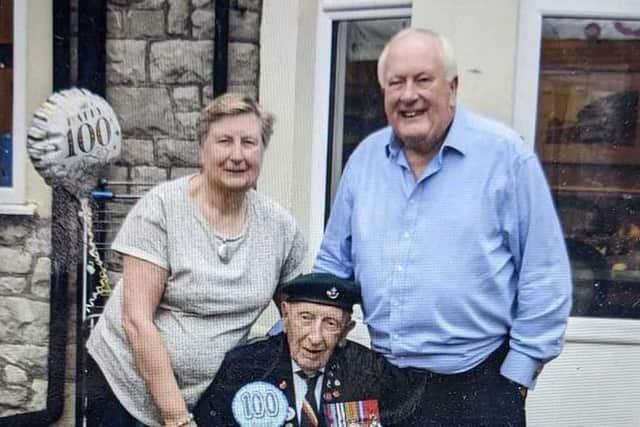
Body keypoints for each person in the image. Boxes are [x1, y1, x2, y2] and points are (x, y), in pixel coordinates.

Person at [314, 28, 572, 426]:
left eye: (423, 79)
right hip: (384, 381)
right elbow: (334, 263)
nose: (408, 94)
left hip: (480, 385)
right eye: (396, 82)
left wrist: (517, 377)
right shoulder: (365, 160)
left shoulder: (506, 158)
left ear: (452, 87)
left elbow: (544, 274)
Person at [86, 93, 307, 427]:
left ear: (262, 151)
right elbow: (136, 320)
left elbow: (298, 313)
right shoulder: (160, 209)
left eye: (249, 142)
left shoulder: (279, 227)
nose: (237, 155)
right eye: (224, 141)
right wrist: (177, 419)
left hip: (211, 394)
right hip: (126, 389)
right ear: (202, 148)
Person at [193, 273, 424, 427]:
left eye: (330, 324)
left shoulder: (368, 369)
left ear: (345, 330)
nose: (315, 338)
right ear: (285, 315)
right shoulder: (246, 366)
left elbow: (415, 409)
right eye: (305, 318)